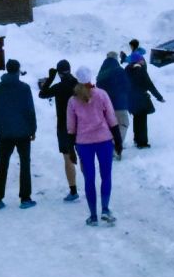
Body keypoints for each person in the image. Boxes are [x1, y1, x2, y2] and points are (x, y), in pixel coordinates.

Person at [66, 66, 118, 226]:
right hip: (104, 141)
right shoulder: (102, 95)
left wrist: (70, 149)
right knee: (106, 176)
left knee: (89, 178)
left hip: (84, 143)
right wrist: (118, 141)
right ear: (91, 78)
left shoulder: (73, 101)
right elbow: (111, 118)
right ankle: (105, 209)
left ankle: (93, 215)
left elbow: (71, 127)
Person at [0, 59, 37, 209]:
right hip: (23, 132)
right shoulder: (24, 88)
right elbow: (30, 110)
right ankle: (25, 198)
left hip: (5, 133)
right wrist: (32, 129)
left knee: (2, 164)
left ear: (6, 69)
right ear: (18, 70)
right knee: (25, 164)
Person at [38, 59, 80, 202]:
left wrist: (50, 78)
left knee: (67, 158)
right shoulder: (78, 85)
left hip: (64, 127)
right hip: (81, 126)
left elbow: (42, 94)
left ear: (59, 72)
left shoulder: (58, 87)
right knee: (85, 157)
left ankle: (73, 191)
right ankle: (90, 186)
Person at [125, 49, 164, 149]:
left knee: (136, 119)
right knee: (142, 121)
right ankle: (142, 143)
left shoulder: (127, 70)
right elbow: (150, 85)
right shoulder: (140, 70)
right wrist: (159, 97)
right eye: (141, 59)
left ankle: (136, 139)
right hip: (141, 99)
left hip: (131, 99)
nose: (143, 60)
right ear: (138, 60)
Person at [96, 52, 133, 160]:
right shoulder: (119, 70)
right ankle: (115, 147)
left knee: (109, 126)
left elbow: (98, 88)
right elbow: (127, 86)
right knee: (123, 123)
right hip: (119, 104)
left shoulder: (101, 72)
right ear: (116, 58)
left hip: (105, 105)